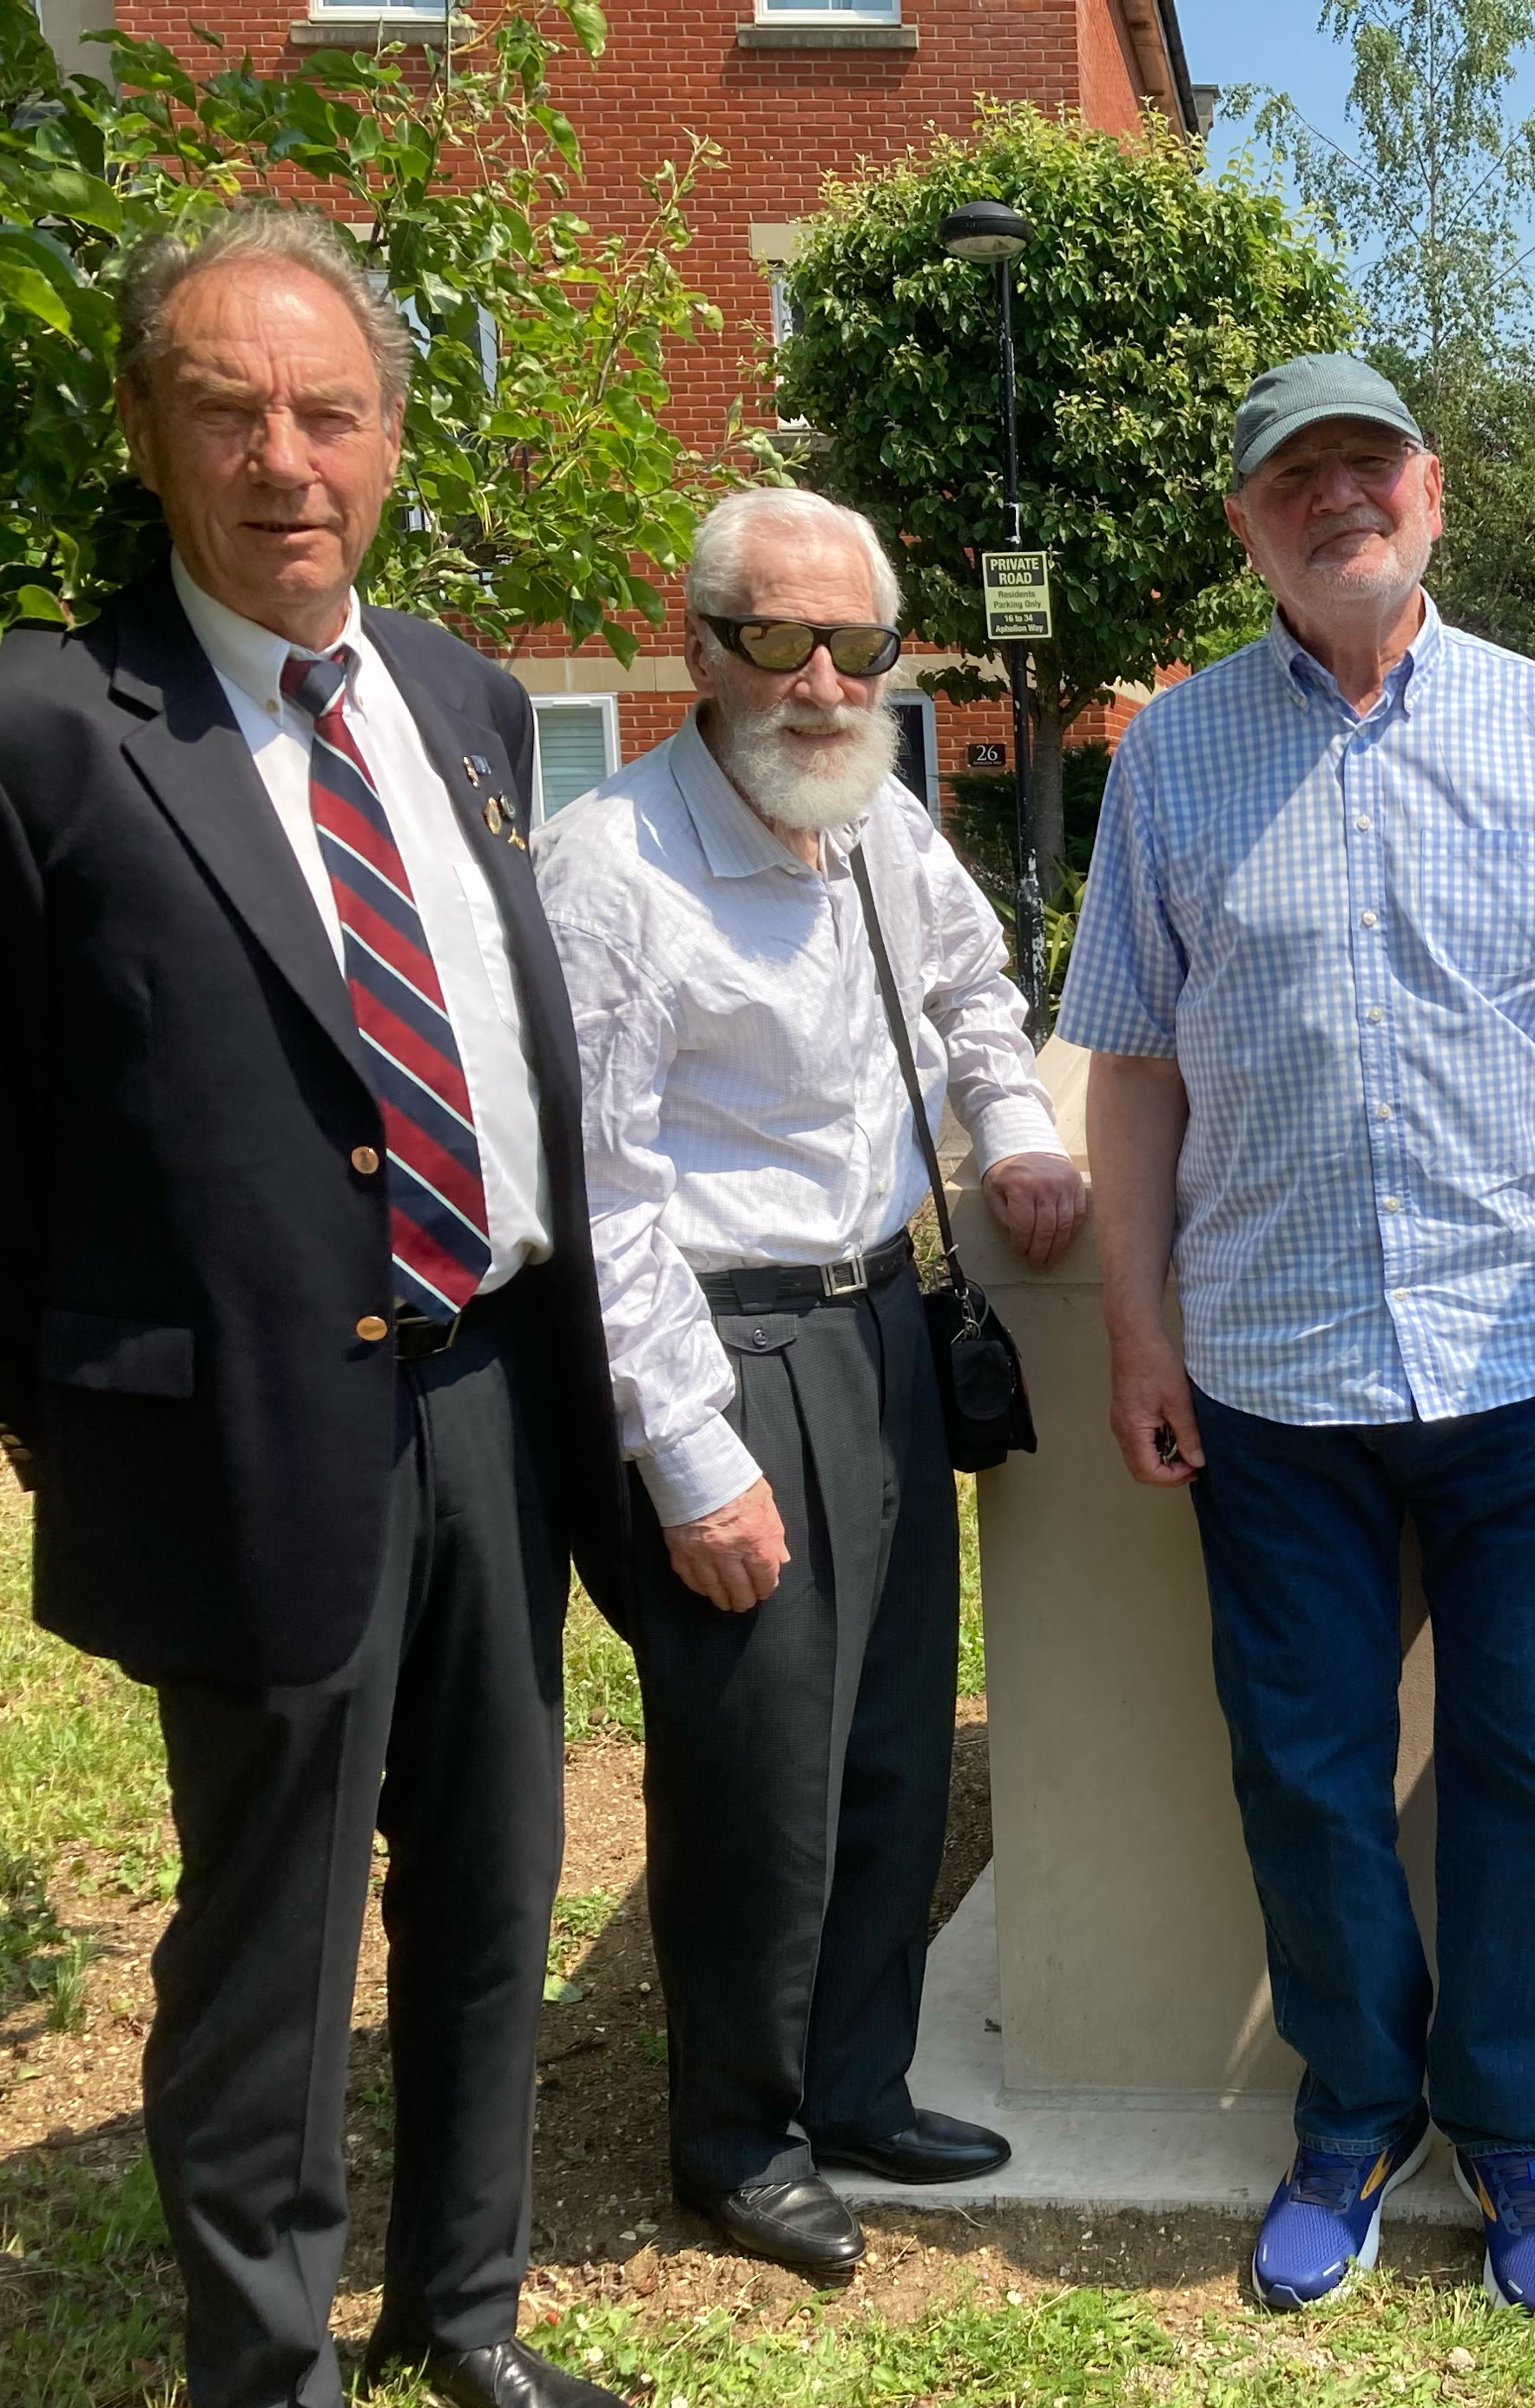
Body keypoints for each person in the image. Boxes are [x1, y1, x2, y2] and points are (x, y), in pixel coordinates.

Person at [0, 202, 649, 2408]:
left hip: (494, 1384)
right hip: (251, 1433)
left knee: (495, 1880)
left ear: (391, 439)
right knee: (271, 1946)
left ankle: (464, 2312)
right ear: (145, 430)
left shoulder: (460, 697)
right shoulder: (31, 734)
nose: (285, 460)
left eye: (330, 411)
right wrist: (80, 1408)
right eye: (228, 410)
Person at [1058, 354, 1535, 2325]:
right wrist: (1134, 1336)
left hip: (1529, 1364)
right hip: (1269, 1379)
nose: (1337, 499)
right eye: (1297, 478)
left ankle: (1516, 2129)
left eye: (1369, 466)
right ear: (1246, 526)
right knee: (1304, 1769)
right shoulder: (1168, 759)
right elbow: (1132, 1074)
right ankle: (1353, 2112)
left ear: (1431, 492)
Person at [537, 489, 1084, 2280]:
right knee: (754, 1766)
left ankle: (855, 2083)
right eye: (781, 639)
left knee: (891, 1742)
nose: (827, 680)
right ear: (701, 648)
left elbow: (973, 988)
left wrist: (1013, 1132)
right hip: (725, 1345)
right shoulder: (615, 870)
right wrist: (687, 1454)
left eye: (859, 643)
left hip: (879, 1328)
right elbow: (599, 1194)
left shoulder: (871, 818)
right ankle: (737, 2135)